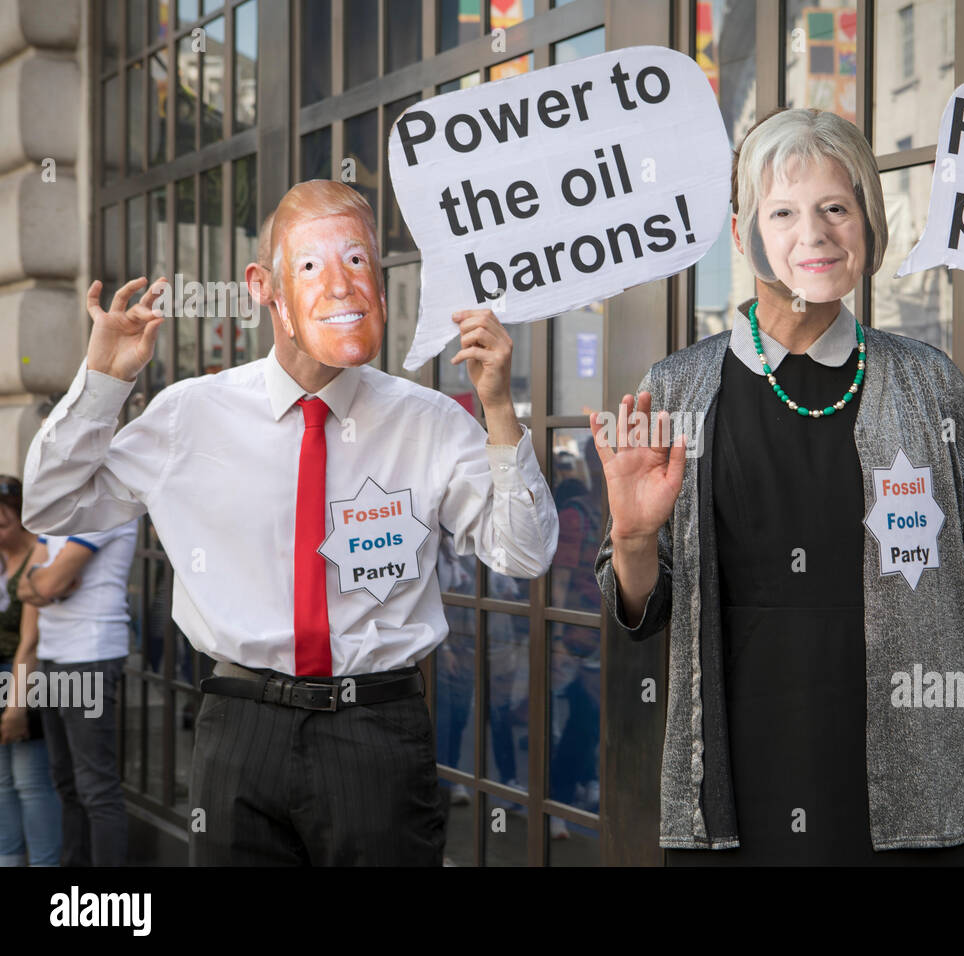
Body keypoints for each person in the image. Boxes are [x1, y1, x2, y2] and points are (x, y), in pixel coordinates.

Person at [591, 107, 964, 864]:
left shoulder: (924, 379)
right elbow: (642, 611)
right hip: (737, 783)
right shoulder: (679, 390)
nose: (812, 233)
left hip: (910, 789)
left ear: (869, 230)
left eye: (836, 208)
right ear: (746, 232)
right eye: (783, 211)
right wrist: (634, 537)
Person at [23, 179, 558, 865]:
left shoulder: (427, 422)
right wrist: (102, 380)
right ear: (264, 285)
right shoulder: (193, 414)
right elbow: (49, 505)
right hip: (240, 727)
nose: (341, 286)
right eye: (312, 265)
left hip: (378, 729)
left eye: (359, 262)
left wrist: (499, 412)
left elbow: (526, 552)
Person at [17, 520, 137, 867]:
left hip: (89, 656)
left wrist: (44, 580)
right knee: (67, 784)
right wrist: (44, 580)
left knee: (96, 788)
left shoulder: (104, 511)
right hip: (53, 655)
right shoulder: (60, 517)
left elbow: (47, 583)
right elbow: (26, 588)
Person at [0, 477, 61, 866]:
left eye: (2, 520)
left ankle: (44, 863)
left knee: (30, 782)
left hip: (27, 678)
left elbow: (31, 642)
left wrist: (16, 707)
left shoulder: (37, 558)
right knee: (2, 785)